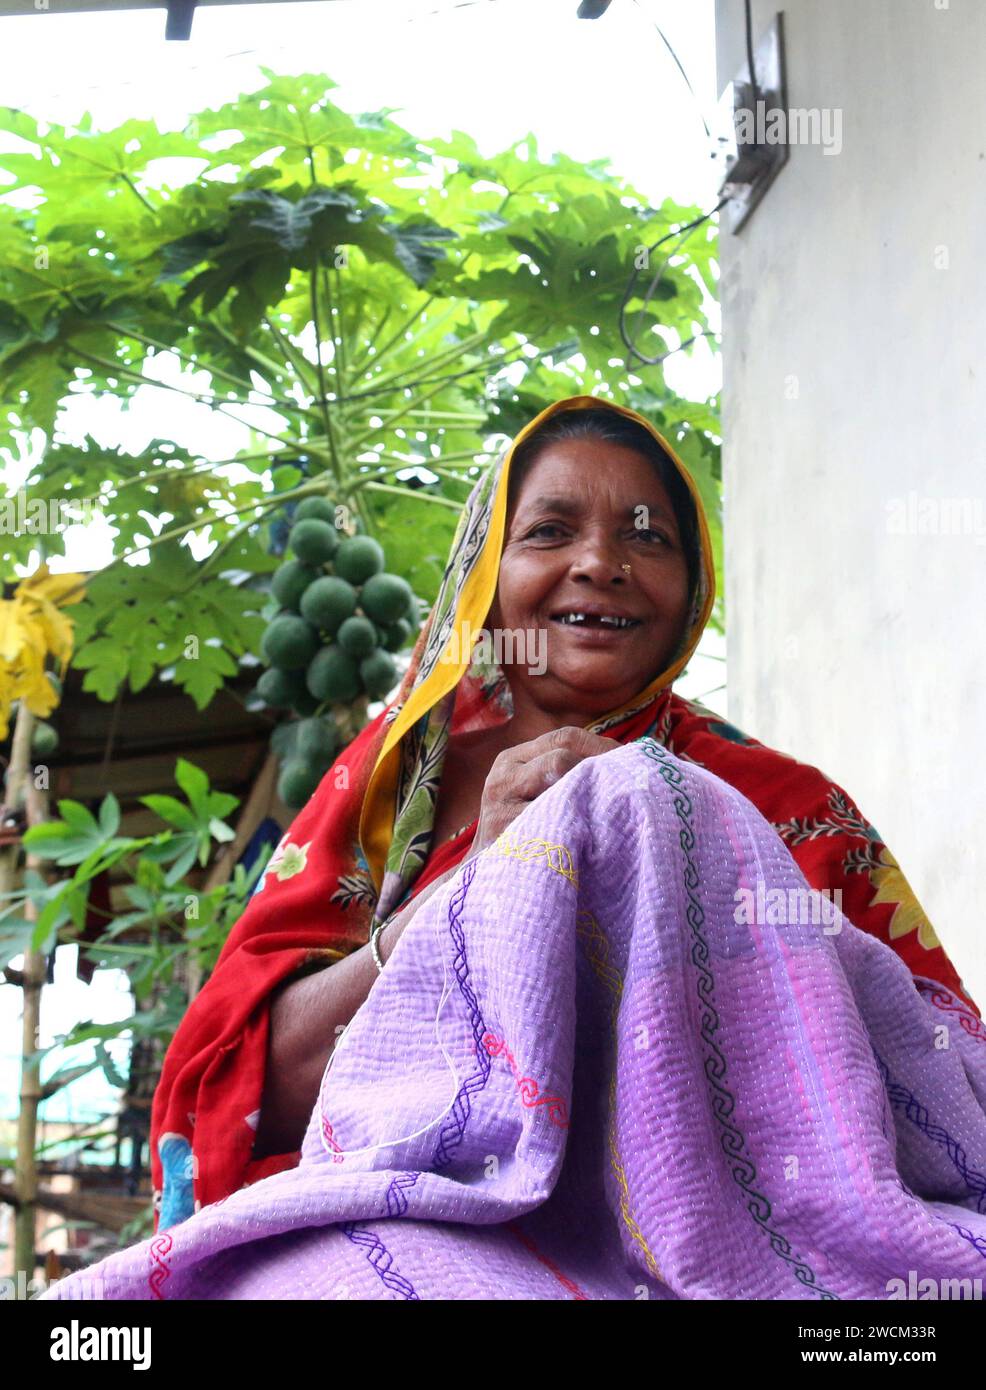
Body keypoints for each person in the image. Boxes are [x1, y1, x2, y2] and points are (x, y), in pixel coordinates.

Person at [146, 393, 980, 1238]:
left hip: (731, 1249)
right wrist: (477, 892)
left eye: (648, 536)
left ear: (693, 586)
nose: (600, 563)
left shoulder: (789, 811)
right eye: (549, 531)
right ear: (485, 572)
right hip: (415, 1244)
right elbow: (244, 1101)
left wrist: (673, 832)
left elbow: (947, 1091)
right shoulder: (391, 789)